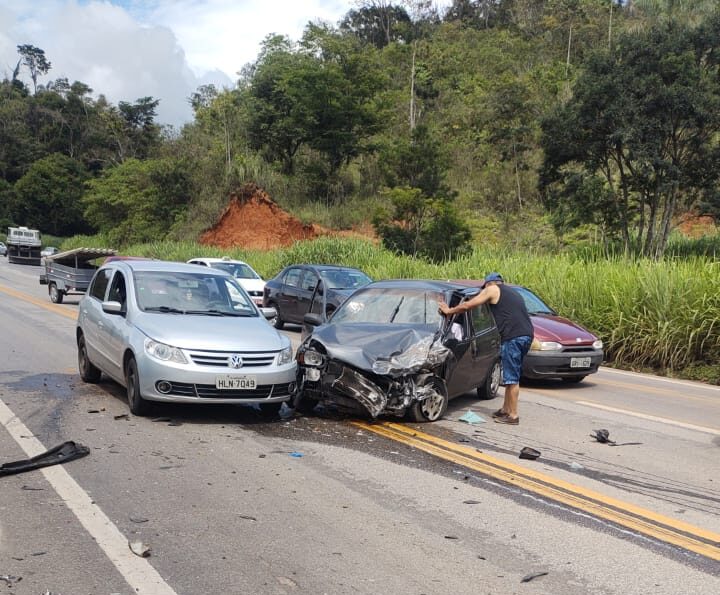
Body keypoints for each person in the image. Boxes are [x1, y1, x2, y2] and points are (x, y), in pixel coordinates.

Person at [438, 272, 533, 425]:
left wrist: (449, 311)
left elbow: (468, 305)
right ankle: (505, 410)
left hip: (513, 337)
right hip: (525, 335)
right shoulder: (512, 292)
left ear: (489, 283)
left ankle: (513, 416)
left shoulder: (492, 289)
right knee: (510, 375)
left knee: (511, 378)